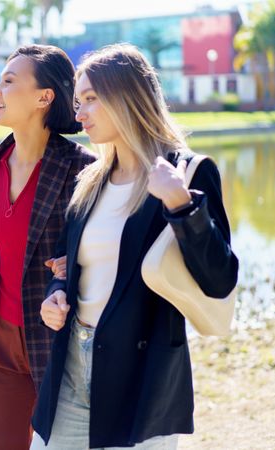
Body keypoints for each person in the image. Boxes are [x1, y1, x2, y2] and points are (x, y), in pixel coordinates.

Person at [31, 43, 239, 449]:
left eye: (91, 99)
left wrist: (181, 204)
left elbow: (220, 277)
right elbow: (68, 266)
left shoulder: (186, 173)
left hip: (143, 372)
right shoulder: (89, 182)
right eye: (78, 101)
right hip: (72, 360)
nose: (79, 113)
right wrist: (54, 297)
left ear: (127, 95)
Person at [0, 45, 95, 450]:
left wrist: (72, 265)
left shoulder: (82, 168)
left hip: (56, 342)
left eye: (8, 81)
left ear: (44, 97)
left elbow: (100, 252)